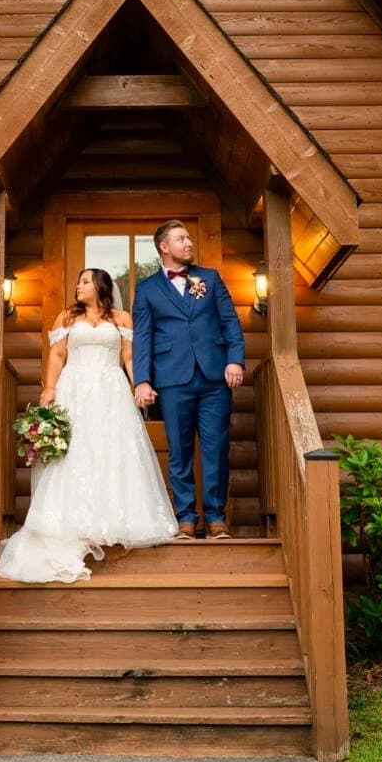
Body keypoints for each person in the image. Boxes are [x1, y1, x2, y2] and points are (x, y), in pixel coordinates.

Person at [0, 267, 177, 583]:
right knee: (75, 453)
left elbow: (129, 357)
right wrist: (49, 388)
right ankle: (72, 522)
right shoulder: (67, 317)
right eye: (78, 282)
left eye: (85, 282)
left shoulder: (121, 319)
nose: (78, 287)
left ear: (101, 286)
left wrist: (138, 386)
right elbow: (56, 355)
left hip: (111, 390)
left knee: (113, 451)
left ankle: (115, 521)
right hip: (75, 389)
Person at [132, 219, 245, 540]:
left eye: (189, 238)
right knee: (180, 452)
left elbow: (230, 323)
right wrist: (142, 380)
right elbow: (143, 337)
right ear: (164, 247)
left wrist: (235, 360)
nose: (189, 243)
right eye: (181, 239)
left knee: (216, 448)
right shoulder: (148, 289)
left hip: (214, 378)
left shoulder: (210, 278)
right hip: (172, 379)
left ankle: (215, 518)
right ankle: (185, 518)